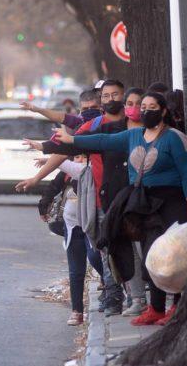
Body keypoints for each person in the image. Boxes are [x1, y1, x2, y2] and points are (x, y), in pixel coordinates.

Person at [53, 91, 187, 327]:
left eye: (152, 107)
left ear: (163, 111)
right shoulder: (133, 135)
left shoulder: (175, 138)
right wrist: (72, 140)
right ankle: (156, 308)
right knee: (151, 257)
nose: (146, 111)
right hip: (144, 203)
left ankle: (177, 307)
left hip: (173, 202)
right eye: (144, 107)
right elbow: (102, 141)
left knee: (176, 256)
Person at [19, 79, 128, 315]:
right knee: (104, 248)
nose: (110, 100)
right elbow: (65, 147)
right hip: (101, 196)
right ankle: (113, 294)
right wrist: (37, 177)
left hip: (131, 194)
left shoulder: (132, 124)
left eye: (115, 95)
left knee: (129, 248)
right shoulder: (92, 125)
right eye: (106, 96)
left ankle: (134, 295)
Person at [38, 155, 96, 325]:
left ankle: (113, 291)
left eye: (81, 157)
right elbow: (53, 187)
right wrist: (43, 205)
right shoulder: (67, 173)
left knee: (95, 258)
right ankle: (76, 311)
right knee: (75, 270)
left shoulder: (92, 169)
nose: (78, 160)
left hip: (93, 226)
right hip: (71, 226)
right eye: (75, 157)